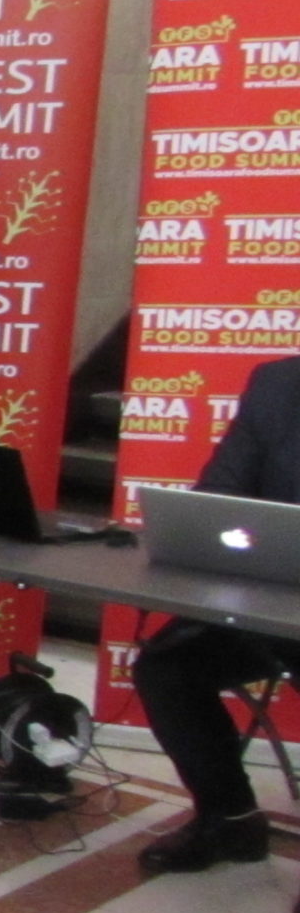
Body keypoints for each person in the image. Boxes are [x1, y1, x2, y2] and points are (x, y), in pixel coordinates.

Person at [135, 355, 300, 871]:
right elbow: (218, 493)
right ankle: (230, 819)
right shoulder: (278, 384)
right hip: (270, 595)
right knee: (167, 668)